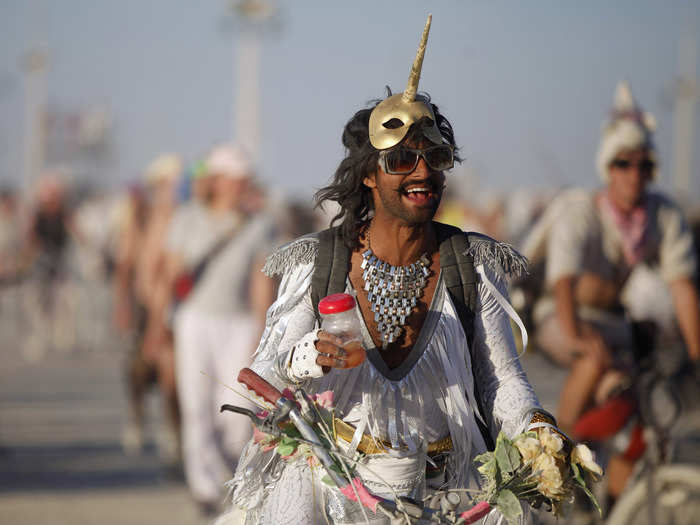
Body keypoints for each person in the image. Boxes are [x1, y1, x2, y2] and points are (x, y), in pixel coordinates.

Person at [220, 16, 555, 524]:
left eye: (434, 159)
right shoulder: (318, 263)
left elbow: (500, 378)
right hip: (337, 485)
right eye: (400, 160)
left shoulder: (472, 263)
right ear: (370, 176)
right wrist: (305, 359)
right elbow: (263, 373)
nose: (422, 173)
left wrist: (533, 427)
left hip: (447, 490)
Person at [527, 82, 700, 498]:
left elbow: (682, 288)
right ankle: (555, 460)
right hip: (556, 314)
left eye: (645, 165)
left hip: (610, 322)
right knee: (592, 359)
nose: (634, 174)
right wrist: (579, 336)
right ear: (608, 167)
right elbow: (562, 283)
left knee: (635, 396)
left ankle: (618, 501)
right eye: (624, 163)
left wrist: (696, 357)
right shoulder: (580, 211)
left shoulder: (661, 215)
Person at [165, 145, 277, 515]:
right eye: (235, 180)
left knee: (236, 406)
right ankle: (205, 486)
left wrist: (260, 331)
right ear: (218, 181)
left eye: (245, 180)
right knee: (195, 404)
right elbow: (170, 272)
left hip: (238, 321)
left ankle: (228, 471)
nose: (242, 186)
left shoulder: (260, 223)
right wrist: (159, 324)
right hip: (195, 319)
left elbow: (262, 280)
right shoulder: (188, 218)